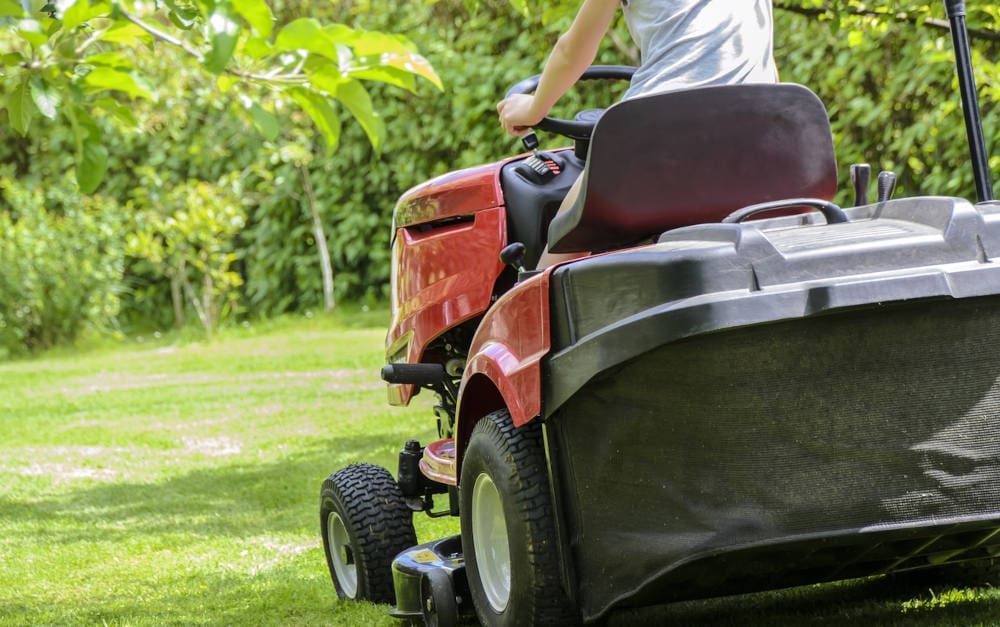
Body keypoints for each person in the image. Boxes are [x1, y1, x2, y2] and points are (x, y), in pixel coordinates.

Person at [496, 0, 777, 268]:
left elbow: (572, 51)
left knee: (568, 235)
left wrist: (533, 109)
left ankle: (533, 308)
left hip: (662, 133)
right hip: (762, 137)